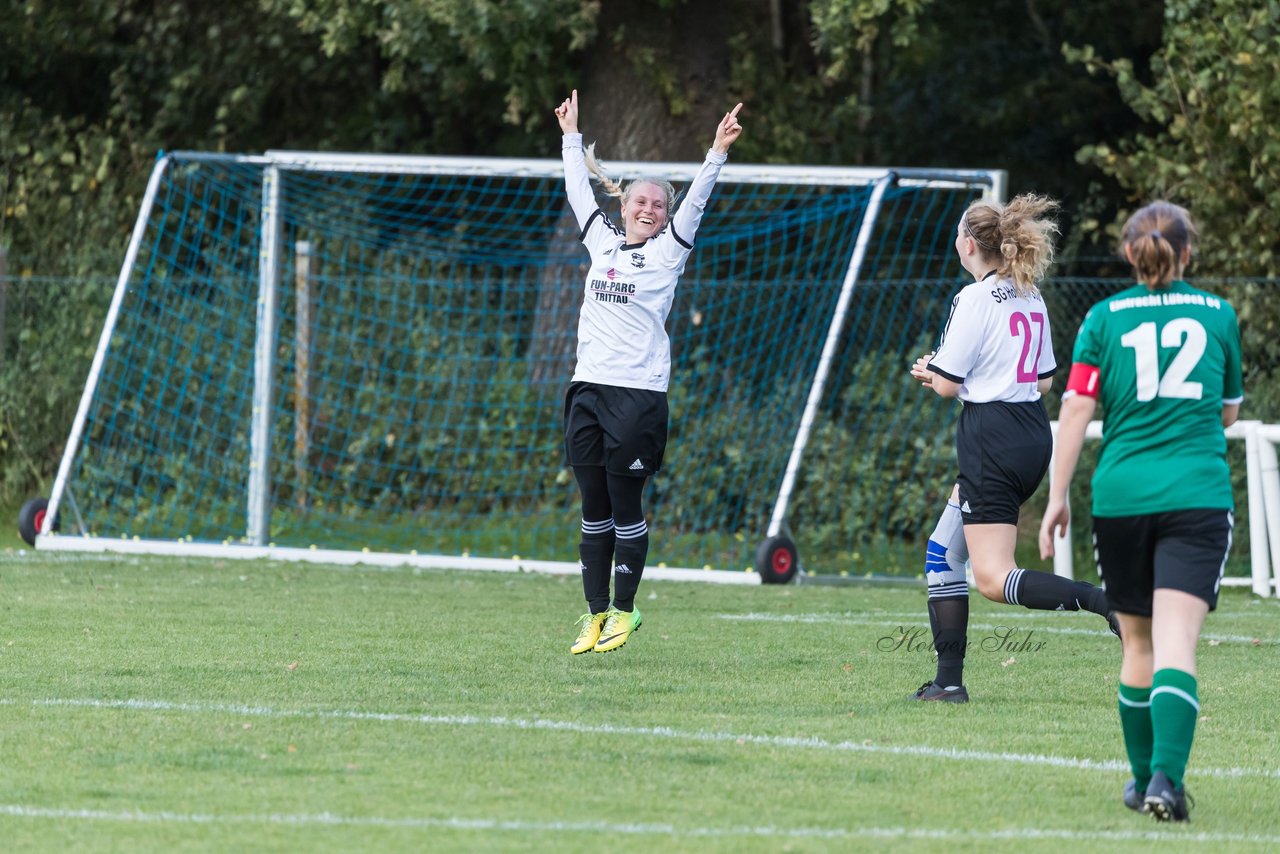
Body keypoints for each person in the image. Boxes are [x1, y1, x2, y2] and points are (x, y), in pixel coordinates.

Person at [1039, 201, 1242, 821]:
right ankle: (1166, 783)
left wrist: (1056, 497)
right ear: (1187, 253)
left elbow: (1075, 410)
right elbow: (1228, 412)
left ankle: (1140, 782)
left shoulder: (1102, 318)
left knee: (1138, 646)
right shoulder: (1220, 315)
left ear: (1129, 253)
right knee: (1178, 643)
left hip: (1123, 497)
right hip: (1196, 495)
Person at [554, 89, 743, 654]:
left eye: (657, 205)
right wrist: (570, 136)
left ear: (664, 215)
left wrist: (716, 153)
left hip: (637, 397)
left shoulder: (668, 253)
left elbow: (697, 205)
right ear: (623, 206)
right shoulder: (602, 244)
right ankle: (593, 614)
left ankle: (626, 610)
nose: (648, 209)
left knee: (624, 505)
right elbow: (574, 190)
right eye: (640, 202)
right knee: (592, 511)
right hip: (586, 390)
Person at [907, 194, 1116, 703]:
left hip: (991, 437)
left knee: (994, 578)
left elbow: (951, 385)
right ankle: (948, 683)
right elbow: (1045, 380)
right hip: (1030, 432)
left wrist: (929, 372)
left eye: (958, 234)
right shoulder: (1030, 292)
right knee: (942, 552)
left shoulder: (973, 297)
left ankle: (1104, 602)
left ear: (969, 243)